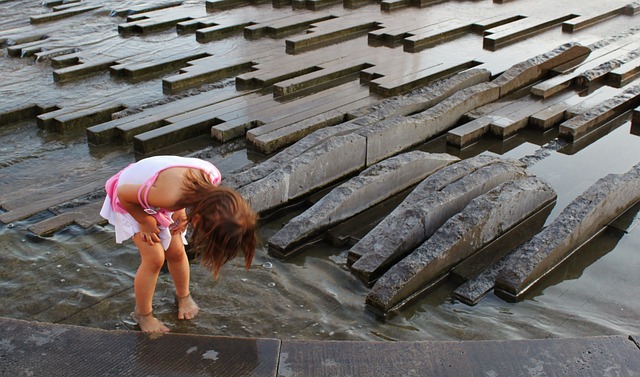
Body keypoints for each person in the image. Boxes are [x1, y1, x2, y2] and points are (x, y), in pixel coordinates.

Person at [100, 155, 257, 333]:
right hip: (131, 199)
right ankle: (142, 315)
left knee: (176, 251)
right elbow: (123, 194)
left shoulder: (211, 177)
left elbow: (184, 186)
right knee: (155, 258)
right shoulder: (169, 196)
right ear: (196, 221)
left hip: (156, 191)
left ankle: (183, 296)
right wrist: (144, 222)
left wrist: (181, 210)